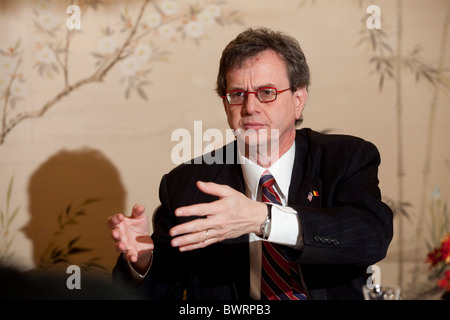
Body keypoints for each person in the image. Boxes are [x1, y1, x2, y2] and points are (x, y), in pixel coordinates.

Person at [107, 27, 393, 300]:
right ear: (225, 103)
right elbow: (160, 292)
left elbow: (370, 237)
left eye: (267, 92)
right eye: (237, 95)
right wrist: (144, 262)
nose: (250, 107)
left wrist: (263, 218)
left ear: (298, 100)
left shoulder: (345, 158)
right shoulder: (187, 184)